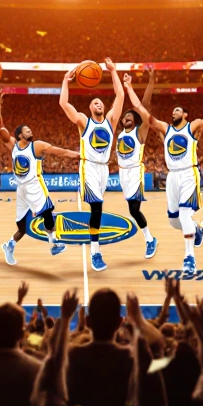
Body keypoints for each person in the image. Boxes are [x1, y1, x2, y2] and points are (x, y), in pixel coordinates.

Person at [125, 76, 203, 275]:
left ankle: (189, 258)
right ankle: (197, 229)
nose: (173, 112)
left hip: (188, 174)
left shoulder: (193, 126)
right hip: (172, 177)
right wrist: (129, 87)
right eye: (173, 110)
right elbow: (141, 111)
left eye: (177, 110)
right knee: (174, 221)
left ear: (185, 114)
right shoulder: (165, 129)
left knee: (185, 213)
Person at [0, 91, 77, 264]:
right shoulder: (14, 146)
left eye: (30, 129)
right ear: (19, 136)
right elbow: (0, 128)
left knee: (47, 211)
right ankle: (10, 245)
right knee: (22, 227)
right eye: (26, 130)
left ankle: (52, 244)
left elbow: (59, 151)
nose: (30, 130)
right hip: (23, 188)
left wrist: (78, 155)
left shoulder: (36, 146)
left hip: (33, 184)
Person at [59, 58, 123, 272]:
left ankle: (95, 248)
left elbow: (120, 96)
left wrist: (113, 71)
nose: (99, 104)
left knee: (98, 208)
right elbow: (64, 104)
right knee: (97, 207)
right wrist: (65, 82)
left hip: (104, 168)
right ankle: (96, 252)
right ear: (89, 108)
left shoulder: (111, 121)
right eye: (94, 102)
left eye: (101, 102)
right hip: (88, 167)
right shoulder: (84, 122)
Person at [66, 288, 134, 406]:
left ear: (88, 321)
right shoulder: (132, 358)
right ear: (120, 322)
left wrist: (64, 320)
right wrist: (136, 319)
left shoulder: (71, 357)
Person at [119, 69, 158, 259]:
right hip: (122, 174)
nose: (126, 117)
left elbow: (146, 104)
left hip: (135, 172)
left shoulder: (140, 132)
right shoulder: (119, 134)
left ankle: (150, 239)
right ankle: (149, 238)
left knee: (134, 209)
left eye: (130, 116)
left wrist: (151, 81)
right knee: (132, 209)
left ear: (135, 121)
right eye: (124, 116)